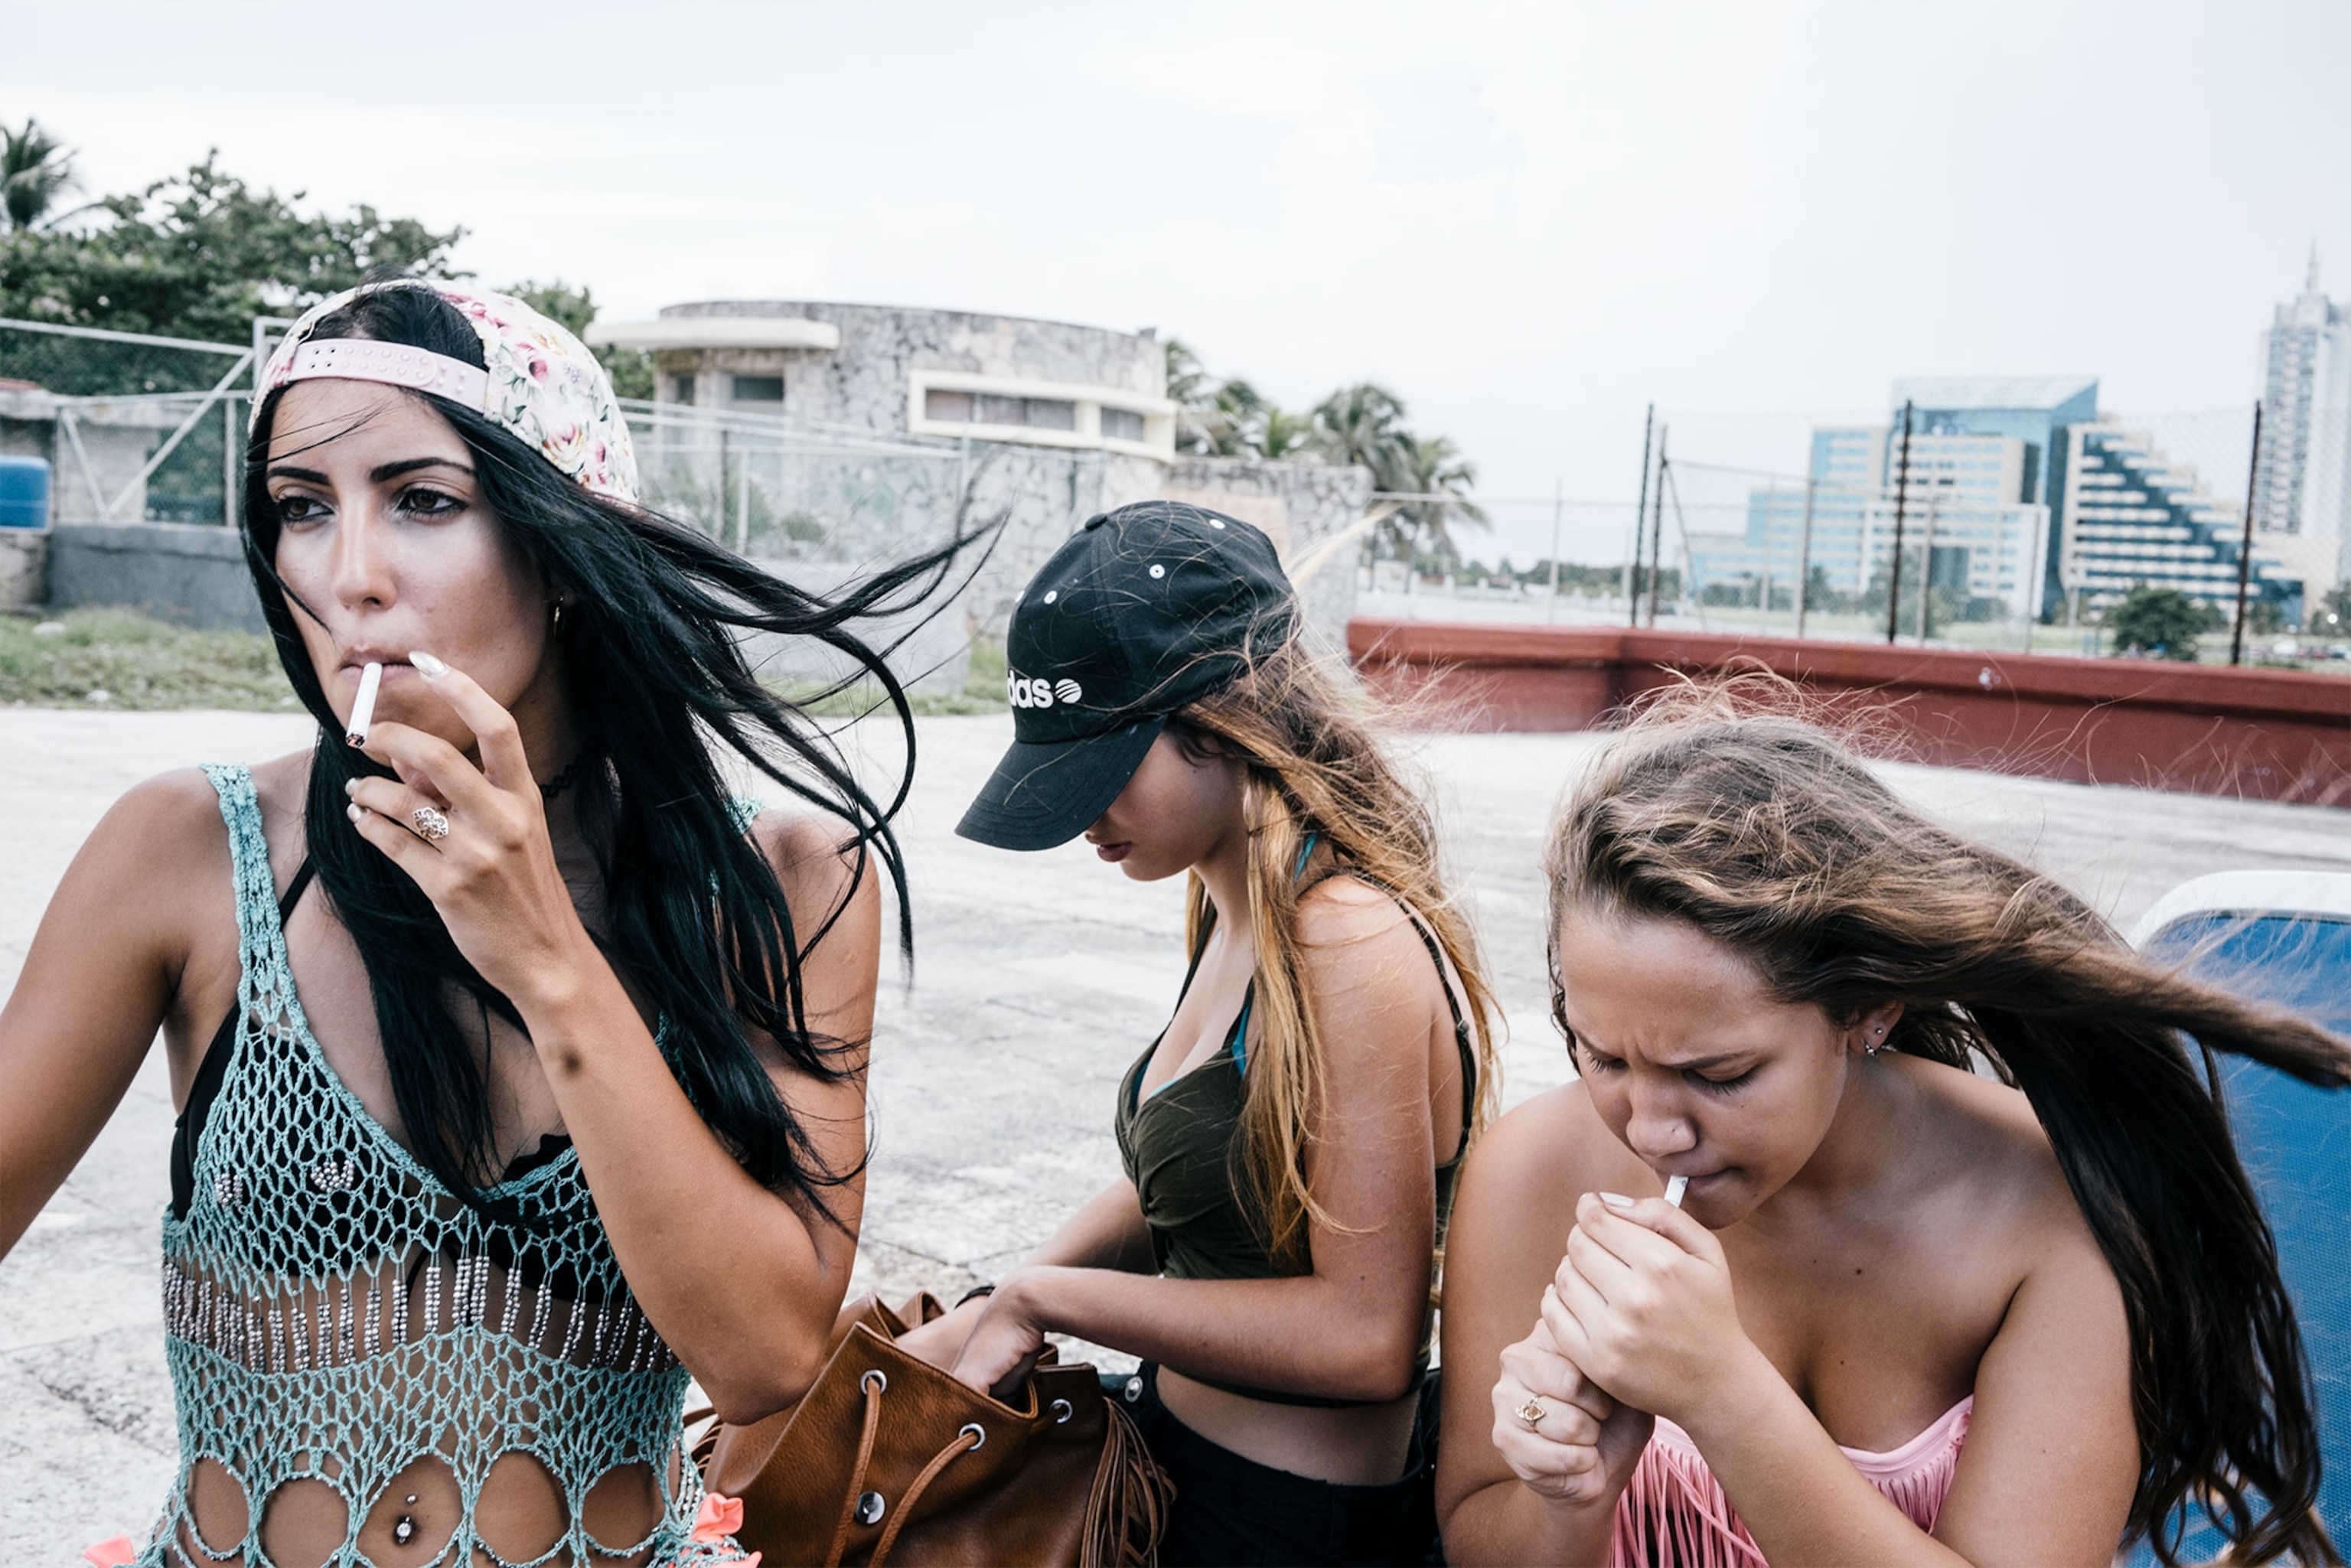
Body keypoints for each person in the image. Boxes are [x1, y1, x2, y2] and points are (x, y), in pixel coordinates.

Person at [0, 279, 944, 1565]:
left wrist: (546, 952)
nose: (349, 575)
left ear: (564, 537)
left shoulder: (782, 877)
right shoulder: (188, 851)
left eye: (423, 500)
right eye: (301, 508)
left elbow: (770, 1349)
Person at [1436, 686, 2350, 1566]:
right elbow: (1480, 1542)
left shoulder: (2047, 1206)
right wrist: (1570, 1490)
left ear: (1870, 1010)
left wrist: (1724, 1395)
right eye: (1604, 1057)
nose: (1653, 1129)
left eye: (1719, 1075)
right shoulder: (1532, 1174)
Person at [895, 500, 1500, 1565]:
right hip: (1171, 1474)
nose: (1081, 813)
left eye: (1105, 763)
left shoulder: (1344, 936)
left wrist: (1055, 1301)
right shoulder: (1234, 904)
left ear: (1225, 715)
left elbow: (1369, 1340)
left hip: (1284, 1532)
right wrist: (1001, 1302)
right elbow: (1202, 1177)